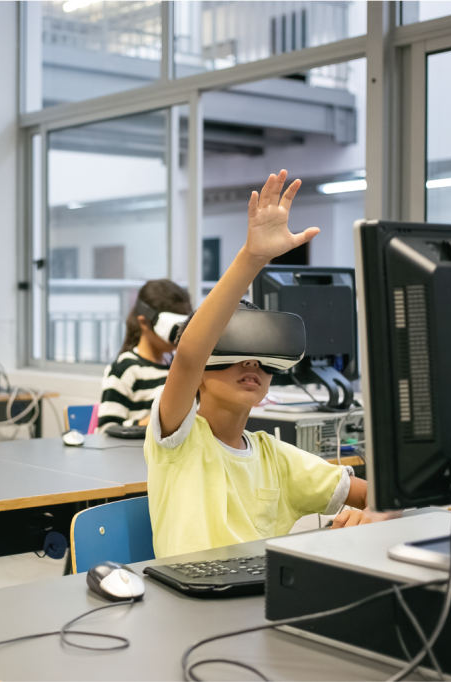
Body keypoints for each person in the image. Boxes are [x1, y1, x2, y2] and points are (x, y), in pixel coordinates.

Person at [146, 170, 383, 559]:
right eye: (234, 353)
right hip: (191, 600)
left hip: (259, 598)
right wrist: (252, 258)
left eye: (261, 357)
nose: (251, 363)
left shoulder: (274, 457)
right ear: (203, 372)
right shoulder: (177, 442)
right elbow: (190, 354)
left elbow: (376, 495)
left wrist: (380, 510)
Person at [97, 280, 191, 432]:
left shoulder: (178, 366)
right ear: (144, 323)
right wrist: (154, 421)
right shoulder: (125, 369)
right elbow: (107, 429)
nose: (179, 336)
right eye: (174, 329)